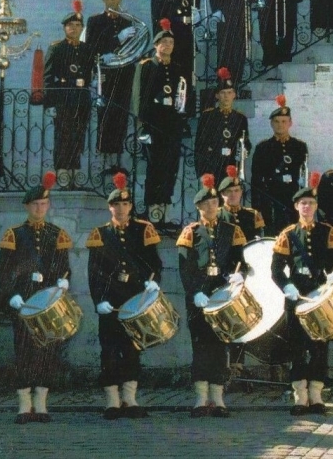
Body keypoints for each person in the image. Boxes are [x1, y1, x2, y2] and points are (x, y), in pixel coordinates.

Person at [85, 173, 163, 420]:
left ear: (131, 206)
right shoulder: (100, 234)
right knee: (109, 349)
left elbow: (155, 263)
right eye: (116, 205)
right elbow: (94, 272)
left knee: (132, 348)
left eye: (125, 204)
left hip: (135, 297)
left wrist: (153, 282)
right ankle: (112, 401)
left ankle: (130, 399)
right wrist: (99, 301)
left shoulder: (143, 230)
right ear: (110, 207)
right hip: (111, 300)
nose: (121, 209)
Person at [0, 173, 72, 424]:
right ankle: (24, 405)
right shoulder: (14, 234)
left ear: (48, 206)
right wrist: (12, 295)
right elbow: (4, 270)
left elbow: (64, 265)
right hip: (24, 300)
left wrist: (64, 280)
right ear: (27, 206)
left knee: (46, 351)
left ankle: (41, 404)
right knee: (24, 350)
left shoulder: (57, 234)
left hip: (47, 301)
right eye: (35, 205)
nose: (40, 209)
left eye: (44, 204)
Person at [272, 173, 333, 417]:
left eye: (311, 203)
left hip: (320, 297)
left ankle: (316, 396)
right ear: (296, 206)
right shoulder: (288, 234)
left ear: (316, 206)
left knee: (319, 347)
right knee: (297, 347)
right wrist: (287, 286)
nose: (307, 207)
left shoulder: (328, 232)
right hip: (297, 298)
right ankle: (300, 396)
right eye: (303, 203)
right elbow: (275, 269)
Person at [178, 175, 247, 418]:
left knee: (220, 348)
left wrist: (240, 275)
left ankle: (218, 400)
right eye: (206, 204)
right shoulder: (191, 232)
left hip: (221, 296)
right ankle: (200, 399)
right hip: (199, 298)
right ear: (198, 207)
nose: (211, 207)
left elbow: (240, 260)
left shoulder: (231, 230)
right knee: (201, 347)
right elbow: (185, 268)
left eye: (214, 202)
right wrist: (195, 292)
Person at [138, 20, 185, 228]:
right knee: (155, 168)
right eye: (163, 42)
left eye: (171, 42)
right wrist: (143, 127)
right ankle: (153, 211)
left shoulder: (177, 68)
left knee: (170, 168)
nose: (167, 46)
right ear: (156, 45)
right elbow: (140, 98)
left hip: (172, 126)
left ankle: (164, 210)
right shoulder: (148, 66)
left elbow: (183, 98)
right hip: (153, 125)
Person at [44, 0, 93, 187]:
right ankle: (63, 173)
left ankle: (74, 171)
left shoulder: (86, 49)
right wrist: (49, 104)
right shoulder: (57, 48)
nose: (74, 28)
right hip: (63, 96)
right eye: (70, 25)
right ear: (65, 28)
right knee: (64, 135)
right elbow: (48, 77)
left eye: (78, 25)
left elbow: (89, 74)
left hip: (81, 96)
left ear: (82, 28)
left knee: (78, 136)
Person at [85, 0, 136, 164]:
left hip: (123, 75)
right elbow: (91, 47)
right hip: (104, 74)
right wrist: (117, 39)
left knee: (120, 116)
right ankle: (104, 157)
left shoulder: (126, 22)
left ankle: (117, 159)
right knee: (105, 115)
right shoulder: (95, 21)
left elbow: (131, 49)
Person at [150, 0, 198, 115]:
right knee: (169, 73)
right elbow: (156, 12)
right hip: (170, 36)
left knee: (186, 72)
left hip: (187, 36)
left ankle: (185, 111)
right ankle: (168, 109)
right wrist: (161, 36)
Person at [250, 95, 308, 229]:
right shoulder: (263, 148)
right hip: (271, 201)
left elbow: (303, 176)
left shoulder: (299, 147)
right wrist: (256, 208)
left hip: (294, 199)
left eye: (283, 121)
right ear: (271, 124)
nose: (280, 125)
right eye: (276, 121)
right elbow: (256, 180)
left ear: (290, 123)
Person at [193, 67, 250, 183]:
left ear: (234, 95)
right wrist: (202, 172)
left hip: (232, 165)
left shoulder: (240, 118)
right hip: (212, 166)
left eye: (229, 93)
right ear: (217, 96)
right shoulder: (207, 116)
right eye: (222, 93)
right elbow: (200, 145)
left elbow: (246, 142)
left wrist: (245, 150)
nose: (226, 96)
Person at [218, 165, 265, 242]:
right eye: (229, 191)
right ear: (222, 194)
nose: (233, 194)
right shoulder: (216, 215)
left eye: (236, 190)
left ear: (241, 192)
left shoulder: (253, 215)